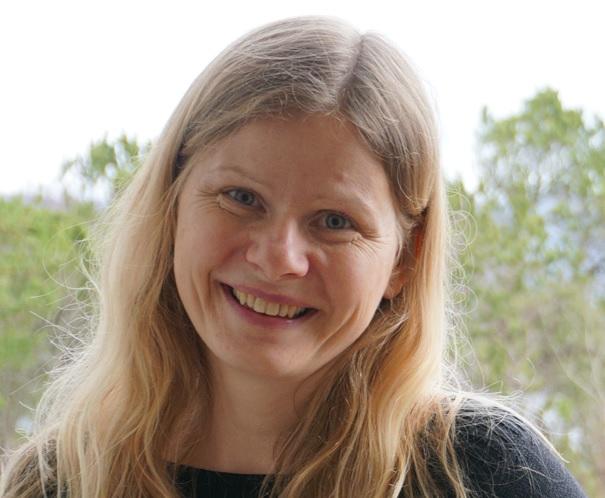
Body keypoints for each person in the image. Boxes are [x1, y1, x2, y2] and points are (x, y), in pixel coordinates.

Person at [0, 16, 586, 498]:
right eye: (241, 198)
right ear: (172, 208)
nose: (279, 258)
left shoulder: (486, 475)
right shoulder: (57, 482)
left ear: (403, 261)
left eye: (335, 222)